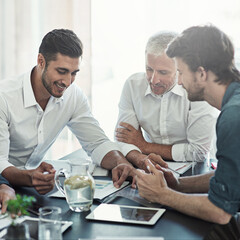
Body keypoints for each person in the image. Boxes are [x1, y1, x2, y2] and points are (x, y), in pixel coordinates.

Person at [0, 29, 143, 194]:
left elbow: (97, 143)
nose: (67, 82)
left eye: (73, 73)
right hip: (5, 184)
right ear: (41, 61)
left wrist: (120, 162)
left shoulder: (73, 95)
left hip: (34, 186)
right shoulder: (4, 97)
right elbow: (1, 162)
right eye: (61, 71)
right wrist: (30, 177)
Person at [135, 25, 240, 224]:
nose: (180, 82)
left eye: (181, 73)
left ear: (201, 73)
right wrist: (178, 184)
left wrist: (162, 194)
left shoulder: (233, 117)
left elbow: (220, 212)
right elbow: (231, 177)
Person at [115, 31, 218, 165]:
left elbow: (199, 152)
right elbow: (123, 138)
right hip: (147, 163)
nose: (154, 80)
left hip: (194, 169)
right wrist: (141, 160)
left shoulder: (197, 89)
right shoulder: (133, 85)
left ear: (180, 68)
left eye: (163, 72)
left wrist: (144, 146)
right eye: (149, 69)